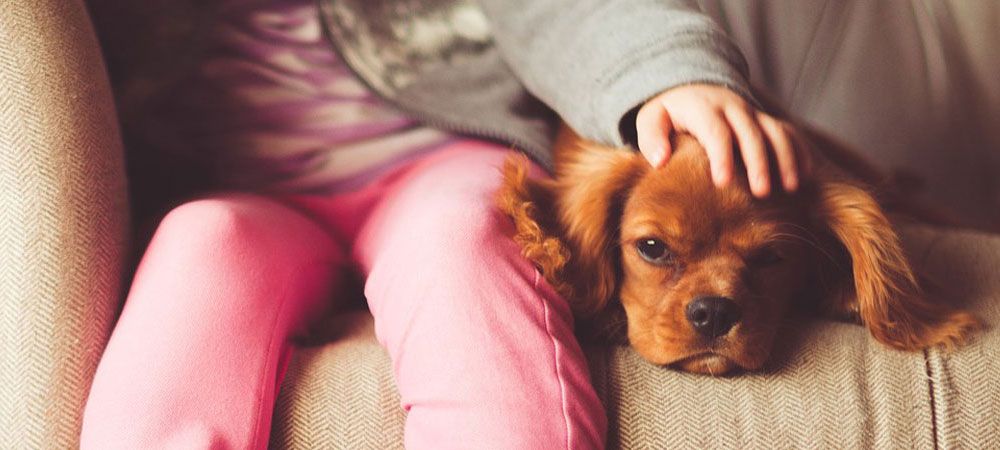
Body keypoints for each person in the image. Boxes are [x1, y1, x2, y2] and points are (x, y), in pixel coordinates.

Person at [80, 0, 808, 448]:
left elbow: (565, 8)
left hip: (441, 154)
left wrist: (666, 72)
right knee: (200, 242)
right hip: (241, 190)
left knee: (460, 235)